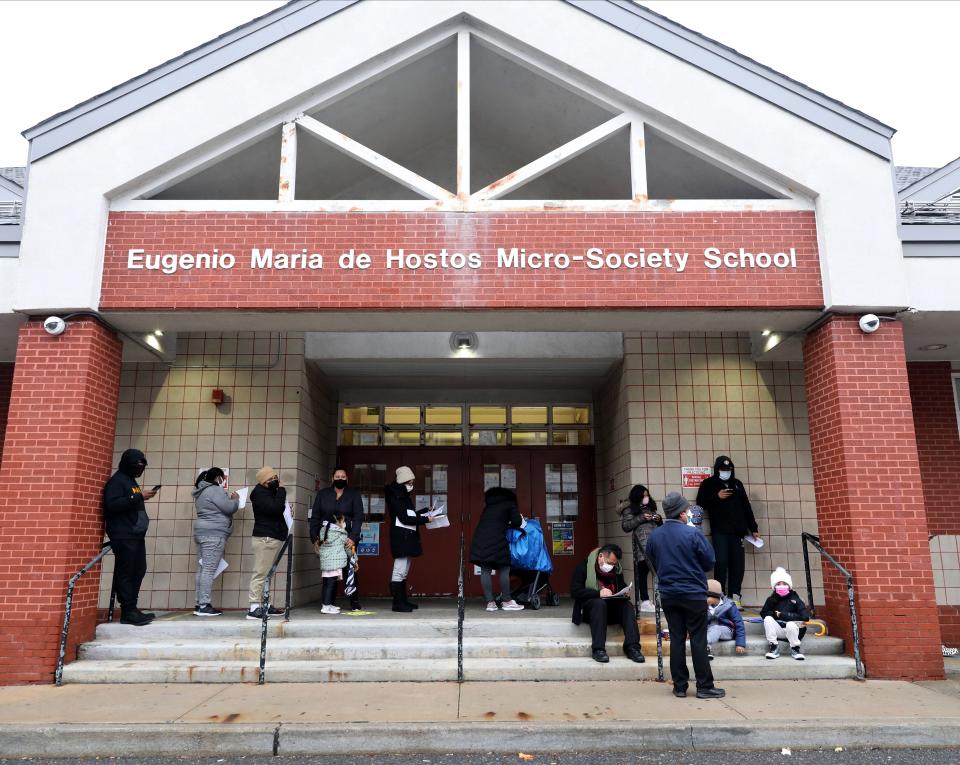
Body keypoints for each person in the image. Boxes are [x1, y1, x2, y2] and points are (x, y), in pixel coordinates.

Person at [645, 492, 724, 699]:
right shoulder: (693, 534)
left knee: (677, 638)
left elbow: (652, 561)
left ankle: (679, 686)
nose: (688, 513)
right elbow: (709, 562)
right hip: (693, 593)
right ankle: (704, 686)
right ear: (681, 513)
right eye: (686, 510)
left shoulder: (655, 535)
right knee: (698, 639)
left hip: (669, 594)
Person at [696, 456, 760, 607]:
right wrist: (717, 497)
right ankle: (720, 596)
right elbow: (700, 504)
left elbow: (746, 507)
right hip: (720, 531)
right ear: (717, 469)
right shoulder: (709, 484)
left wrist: (754, 528)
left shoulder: (736, 484)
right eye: (723, 469)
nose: (726, 472)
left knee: (738, 565)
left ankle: (735, 596)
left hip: (738, 532)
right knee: (721, 562)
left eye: (729, 469)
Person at [103, 449, 157, 626]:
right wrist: (138, 496)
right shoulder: (117, 481)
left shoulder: (130, 481)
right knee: (127, 572)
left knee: (138, 570)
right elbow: (112, 504)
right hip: (123, 534)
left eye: (142, 465)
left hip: (135, 534)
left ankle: (132, 608)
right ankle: (127, 611)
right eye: (137, 464)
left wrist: (139, 497)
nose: (140, 468)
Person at [570, 544, 645, 664]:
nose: (611, 567)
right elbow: (575, 591)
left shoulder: (616, 569)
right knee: (599, 604)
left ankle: (633, 648)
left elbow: (620, 586)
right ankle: (598, 650)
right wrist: (598, 593)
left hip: (611, 609)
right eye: (610, 563)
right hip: (592, 611)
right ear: (601, 556)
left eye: (614, 564)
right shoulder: (584, 567)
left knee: (627, 606)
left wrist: (624, 593)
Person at [310, 467, 364, 611]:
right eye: (337, 476)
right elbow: (315, 517)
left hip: (348, 537)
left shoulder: (353, 494)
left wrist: (353, 537)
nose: (340, 478)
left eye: (343, 476)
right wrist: (315, 539)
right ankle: (329, 603)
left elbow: (359, 517)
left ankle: (354, 602)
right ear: (332, 478)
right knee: (330, 569)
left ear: (347, 478)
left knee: (350, 567)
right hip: (327, 539)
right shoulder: (323, 494)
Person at [191, 467, 240, 616]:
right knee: (208, 569)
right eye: (222, 478)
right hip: (213, 534)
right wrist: (235, 499)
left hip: (202, 532)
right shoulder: (215, 490)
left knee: (202, 569)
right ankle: (204, 605)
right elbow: (229, 507)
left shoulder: (201, 491)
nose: (223, 481)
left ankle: (199, 603)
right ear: (218, 477)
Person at [470, 486, 526, 612]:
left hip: (480, 538)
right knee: (504, 568)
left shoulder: (489, 506)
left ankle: (490, 603)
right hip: (497, 538)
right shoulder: (509, 503)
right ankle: (506, 601)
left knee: (485, 569)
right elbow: (517, 521)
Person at [386, 466, 432, 613]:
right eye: (410, 482)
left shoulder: (402, 495)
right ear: (403, 481)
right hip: (402, 537)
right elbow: (405, 518)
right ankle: (397, 603)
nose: (412, 485)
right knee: (399, 570)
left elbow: (409, 515)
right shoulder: (397, 496)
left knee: (403, 571)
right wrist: (425, 519)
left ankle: (403, 601)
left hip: (406, 537)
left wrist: (425, 512)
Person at [247, 466, 289, 620]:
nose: (274, 481)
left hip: (272, 536)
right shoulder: (260, 493)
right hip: (265, 538)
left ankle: (265, 604)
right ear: (262, 482)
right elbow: (276, 509)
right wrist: (282, 491)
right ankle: (254, 607)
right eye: (269, 479)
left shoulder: (269, 493)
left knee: (267, 574)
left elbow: (277, 510)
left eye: (275, 478)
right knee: (260, 572)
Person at [620, 484, 662, 613]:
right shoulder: (629, 510)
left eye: (647, 495)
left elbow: (660, 526)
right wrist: (642, 518)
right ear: (637, 497)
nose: (646, 498)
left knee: (658, 571)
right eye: (643, 496)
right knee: (643, 572)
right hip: (642, 544)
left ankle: (658, 600)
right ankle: (644, 601)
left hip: (655, 543)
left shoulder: (650, 508)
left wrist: (658, 520)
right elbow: (626, 526)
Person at [761, 567, 810, 661]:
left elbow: (805, 617)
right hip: (779, 630)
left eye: (784, 583)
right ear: (774, 586)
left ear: (789, 585)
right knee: (767, 619)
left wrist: (783, 615)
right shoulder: (771, 599)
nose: (781, 586)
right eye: (778, 584)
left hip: (794, 631)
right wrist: (775, 615)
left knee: (791, 624)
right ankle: (774, 647)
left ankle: (795, 649)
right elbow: (764, 613)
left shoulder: (796, 599)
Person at [316, 512, 351, 614]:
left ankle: (327, 604)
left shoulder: (324, 531)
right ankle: (326, 607)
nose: (344, 523)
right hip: (334, 562)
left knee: (327, 583)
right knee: (330, 584)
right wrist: (355, 560)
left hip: (326, 562)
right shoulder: (341, 533)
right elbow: (348, 548)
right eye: (343, 521)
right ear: (338, 521)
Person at [705, 578, 747, 660]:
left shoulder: (729, 605)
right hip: (709, 630)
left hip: (726, 631)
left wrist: (740, 643)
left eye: (706, 596)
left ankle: (704, 648)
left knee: (716, 628)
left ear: (715, 596)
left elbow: (739, 623)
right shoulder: (704, 606)